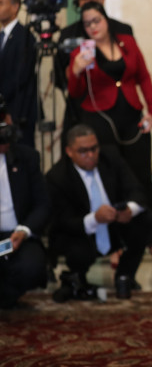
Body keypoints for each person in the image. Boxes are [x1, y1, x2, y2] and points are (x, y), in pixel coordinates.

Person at [66, 2, 152, 264]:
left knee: (143, 180)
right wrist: (76, 71)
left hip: (132, 118)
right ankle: (116, 247)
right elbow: (75, 92)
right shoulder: (81, 52)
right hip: (99, 119)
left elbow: (143, 76)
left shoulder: (127, 41)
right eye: (87, 23)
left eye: (96, 20)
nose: (93, 27)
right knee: (110, 182)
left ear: (106, 20)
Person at [45, 124, 152, 301]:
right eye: (83, 151)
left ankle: (125, 275)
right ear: (69, 151)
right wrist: (94, 219)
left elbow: (137, 190)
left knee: (145, 219)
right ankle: (77, 277)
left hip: (115, 224)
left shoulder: (111, 157)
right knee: (76, 249)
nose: (90, 155)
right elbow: (62, 222)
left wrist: (130, 209)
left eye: (94, 148)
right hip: (80, 232)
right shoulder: (57, 177)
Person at [56, 0, 135, 154]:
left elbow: (137, 73)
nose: (88, 2)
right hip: (80, 111)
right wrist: (72, 73)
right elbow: (59, 77)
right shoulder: (68, 34)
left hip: (119, 109)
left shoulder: (122, 30)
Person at [0, 95, 50, 309]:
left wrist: (24, 231)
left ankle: (7, 297)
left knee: (32, 267)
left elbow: (43, 205)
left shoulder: (27, 157)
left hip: (17, 236)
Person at [0, 0, 37, 147]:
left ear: (15, 7)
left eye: (1, 3)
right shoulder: (1, 36)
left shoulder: (25, 36)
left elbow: (20, 77)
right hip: (3, 109)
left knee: (21, 154)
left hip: (18, 110)